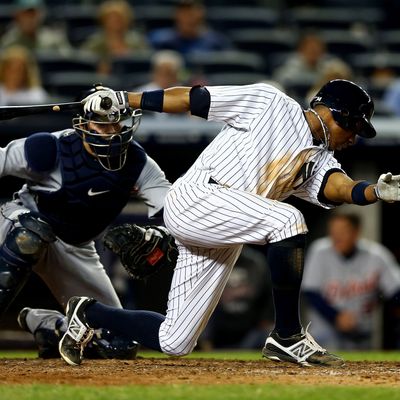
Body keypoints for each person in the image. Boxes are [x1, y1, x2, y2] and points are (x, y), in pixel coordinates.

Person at [58, 79, 400, 368]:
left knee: (175, 340)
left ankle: (88, 313)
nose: (354, 137)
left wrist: (375, 191)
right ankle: (287, 336)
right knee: (289, 219)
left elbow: (338, 187)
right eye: (353, 126)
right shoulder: (272, 103)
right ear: (332, 112)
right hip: (196, 198)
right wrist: (126, 99)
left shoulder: (319, 158)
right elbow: (194, 98)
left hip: (225, 232)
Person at [0, 85, 171, 358]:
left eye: (115, 125)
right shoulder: (48, 147)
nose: (109, 132)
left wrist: (157, 234)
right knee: (29, 236)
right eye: (101, 125)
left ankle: (50, 326)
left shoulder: (138, 163)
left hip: (74, 245)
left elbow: (171, 208)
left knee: (118, 344)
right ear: (84, 123)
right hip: (19, 222)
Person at [302, 212, 400, 350]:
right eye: (334, 232)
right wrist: (336, 316)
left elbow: (395, 291)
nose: (337, 237)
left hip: (361, 334)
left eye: (343, 232)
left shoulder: (377, 255)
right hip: (324, 335)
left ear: (356, 232)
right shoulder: (320, 251)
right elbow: (310, 292)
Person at [80, 0, 149, 75]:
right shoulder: (95, 43)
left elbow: (145, 61)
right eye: (111, 18)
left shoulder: (136, 41)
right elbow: (84, 62)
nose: (115, 21)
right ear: (103, 20)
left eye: (119, 18)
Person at [148, 0, 232, 56]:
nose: (187, 17)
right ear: (176, 14)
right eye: (184, 12)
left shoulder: (217, 42)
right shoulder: (160, 41)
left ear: (201, 14)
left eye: (191, 12)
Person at [0, 0, 72, 56]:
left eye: (33, 14)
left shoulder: (54, 40)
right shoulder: (9, 43)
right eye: (26, 14)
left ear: (41, 15)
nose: (30, 19)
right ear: (17, 16)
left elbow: (68, 62)